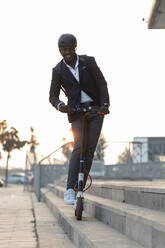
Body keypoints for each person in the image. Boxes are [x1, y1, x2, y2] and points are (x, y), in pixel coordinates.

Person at [49, 33, 110, 205]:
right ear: (59, 50)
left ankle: (79, 186)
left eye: (69, 48)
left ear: (75, 47)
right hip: (75, 111)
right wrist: (60, 105)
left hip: (95, 109)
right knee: (79, 146)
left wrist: (105, 104)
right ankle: (70, 188)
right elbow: (53, 95)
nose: (66, 52)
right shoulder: (58, 70)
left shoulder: (88, 62)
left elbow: (101, 83)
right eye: (63, 49)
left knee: (90, 149)